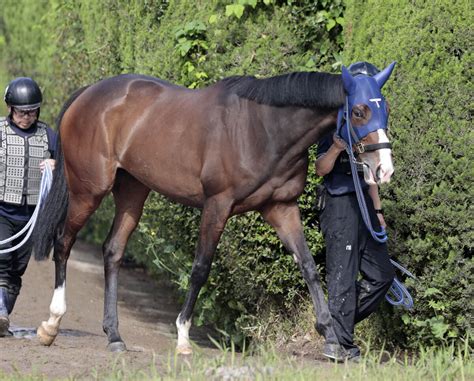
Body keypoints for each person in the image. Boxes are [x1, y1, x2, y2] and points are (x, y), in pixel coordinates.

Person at [316, 62, 395, 361]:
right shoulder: (333, 124)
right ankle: (341, 345)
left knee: (382, 275)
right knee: (343, 275)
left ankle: (335, 327)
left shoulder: (370, 126)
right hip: (338, 204)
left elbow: (371, 175)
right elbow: (320, 169)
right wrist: (336, 148)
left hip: (363, 205)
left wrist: (378, 209)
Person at [0, 77, 56, 336]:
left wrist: (55, 166)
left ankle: (2, 318)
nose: (27, 117)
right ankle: (0, 313)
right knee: (1, 264)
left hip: (32, 216)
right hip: (2, 212)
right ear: (11, 109)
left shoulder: (47, 136)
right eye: (22, 112)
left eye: (32, 111)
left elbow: (69, 165)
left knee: (16, 273)